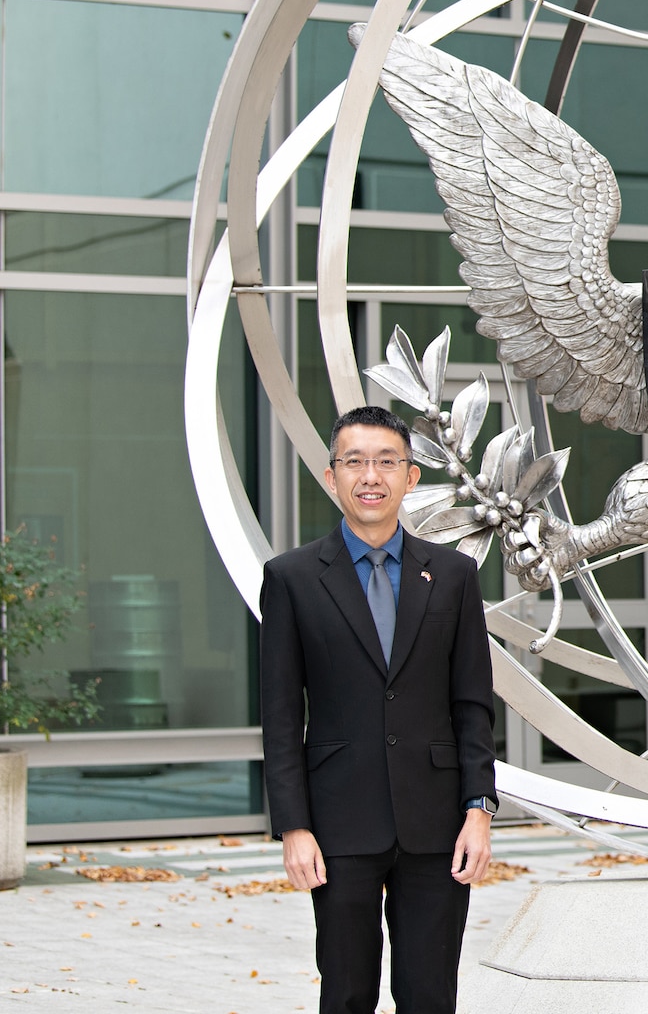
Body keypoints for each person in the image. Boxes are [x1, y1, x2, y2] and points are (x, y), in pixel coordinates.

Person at [260, 405, 497, 1014]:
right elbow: (282, 714)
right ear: (331, 474)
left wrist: (478, 809)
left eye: (387, 461)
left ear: (411, 477)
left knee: (429, 994)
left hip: (437, 823)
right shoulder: (290, 578)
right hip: (338, 823)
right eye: (355, 461)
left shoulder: (453, 575)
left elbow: (472, 705)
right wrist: (293, 827)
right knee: (346, 993)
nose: (371, 476)